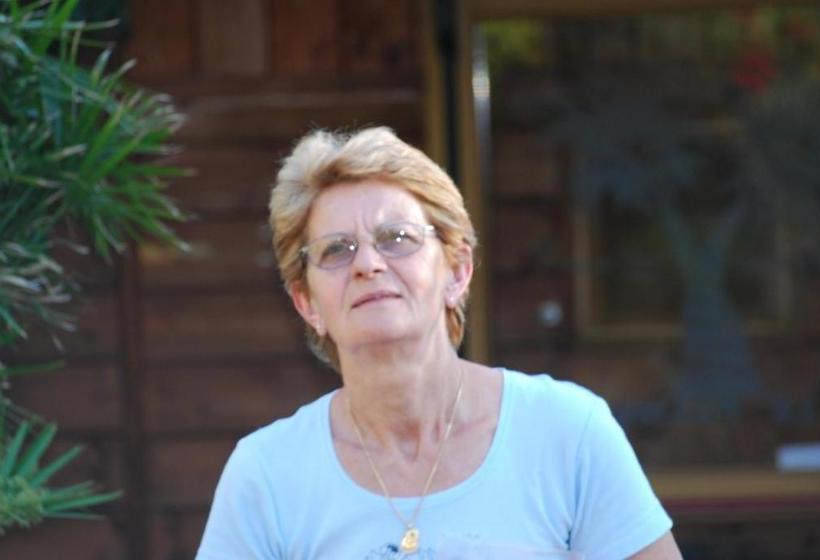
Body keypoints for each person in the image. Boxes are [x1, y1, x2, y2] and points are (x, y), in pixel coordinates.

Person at [196, 127, 682, 560]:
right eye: (336, 249)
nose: (368, 264)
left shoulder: (567, 432)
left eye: (396, 238)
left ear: (458, 271)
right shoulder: (267, 474)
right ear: (306, 303)